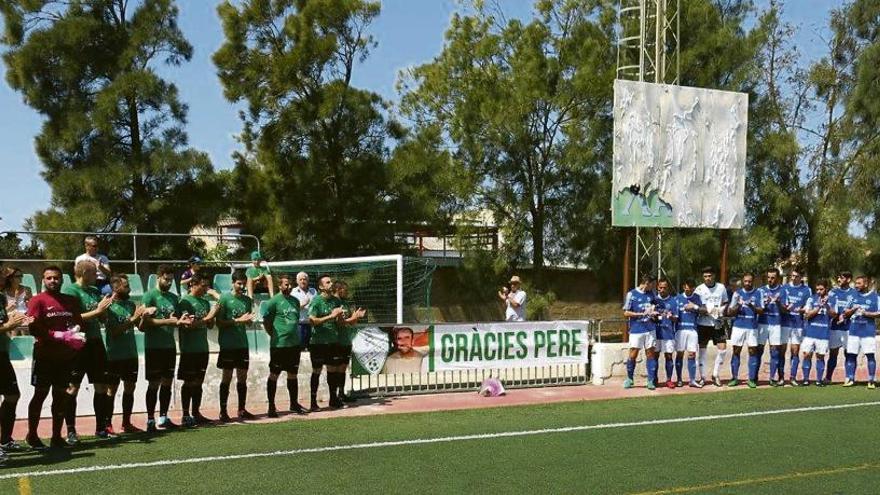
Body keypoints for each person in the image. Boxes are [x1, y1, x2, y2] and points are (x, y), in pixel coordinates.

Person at [26, 266, 85, 449]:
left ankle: (56, 437)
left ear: (62, 280)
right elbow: (33, 328)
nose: (53, 281)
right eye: (49, 278)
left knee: (60, 396)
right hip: (44, 356)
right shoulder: (38, 301)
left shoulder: (71, 301)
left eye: (56, 278)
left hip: (65, 358)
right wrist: (56, 335)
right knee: (40, 394)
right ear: (43, 280)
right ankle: (32, 435)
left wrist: (75, 336)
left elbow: (78, 323)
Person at [62, 260, 114, 441]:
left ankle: (101, 428)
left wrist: (105, 311)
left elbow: (101, 318)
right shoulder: (70, 291)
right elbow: (73, 318)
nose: (96, 277)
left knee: (101, 385)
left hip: (95, 343)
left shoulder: (94, 291)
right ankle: (70, 430)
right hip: (78, 344)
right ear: (83, 273)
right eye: (93, 273)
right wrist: (98, 310)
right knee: (72, 387)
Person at [141, 265, 192, 432]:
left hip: (169, 346)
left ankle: (163, 417)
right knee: (153, 383)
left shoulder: (173, 297)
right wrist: (168, 322)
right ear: (158, 278)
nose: (169, 283)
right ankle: (150, 419)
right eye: (166, 279)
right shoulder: (149, 296)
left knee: (168, 383)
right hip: (154, 347)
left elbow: (175, 319)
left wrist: (182, 319)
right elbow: (145, 323)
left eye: (171, 280)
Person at [104, 274, 153, 433]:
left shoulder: (131, 305)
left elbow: (141, 328)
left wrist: (144, 317)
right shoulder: (108, 306)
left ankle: (126, 423)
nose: (129, 289)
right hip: (114, 355)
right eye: (126, 286)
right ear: (115, 288)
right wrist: (133, 318)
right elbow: (114, 332)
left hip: (131, 354)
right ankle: (107, 424)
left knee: (130, 388)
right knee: (111, 390)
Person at [177, 273, 219, 426]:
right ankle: (185, 414)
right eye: (203, 286)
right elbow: (187, 325)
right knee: (188, 382)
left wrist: (212, 316)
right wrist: (209, 317)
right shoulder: (184, 302)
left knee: (199, 382)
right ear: (193, 285)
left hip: (202, 348)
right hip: (189, 349)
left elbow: (210, 325)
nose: (206, 289)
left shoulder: (205, 303)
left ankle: (196, 412)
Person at [262, 274, 307, 417]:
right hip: (279, 345)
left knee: (293, 374)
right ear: (280, 286)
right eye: (286, 284)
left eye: (289, 284)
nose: (288, 287)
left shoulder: (295, 301)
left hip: (294, 344)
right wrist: (275, 335)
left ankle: (293, 404)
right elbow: (267, 323)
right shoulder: (273, 302)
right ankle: (271, 406)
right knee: (274, 374)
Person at [0, 269, 33, 458]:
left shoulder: (1, 298)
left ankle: (5, 440)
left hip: (3, 351)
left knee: (12, 395)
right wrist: (11, 325)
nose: (9, 278)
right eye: (6, 275)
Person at [216, 271, 256, 422]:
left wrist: (248, 321)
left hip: (242, 344)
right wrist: (238, 321)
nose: (241, 286)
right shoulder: (224, 299)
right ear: (232, 283)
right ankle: (223, 410)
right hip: (228, 345)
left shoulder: (246, 300)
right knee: (226, 377)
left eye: (243, 283)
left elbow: (247, 320)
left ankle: (241, 409)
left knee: (242, 377)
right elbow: (219, 323)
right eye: (239, 283)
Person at [308, 274, 345, 409]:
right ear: (321, 286)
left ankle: (333, 398)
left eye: (331, 282)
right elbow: (312, 321)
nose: (331, 284)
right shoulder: (316, 301)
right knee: (316, 370)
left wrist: (341, 316)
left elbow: (339, 323)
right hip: (318, 342)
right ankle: (313, 401)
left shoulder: (336, 301)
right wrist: (331, 316)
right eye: (328, 282)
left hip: (332, 341)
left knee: (333, 370)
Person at [726, 273, 765, 388]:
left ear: (753, 282)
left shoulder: (758, 293)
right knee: (736, 351)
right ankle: (734, 378)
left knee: (753, 351)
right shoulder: (737, 293)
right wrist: (738, 305)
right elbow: (730, 312)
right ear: (742, 281)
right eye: (745, 281)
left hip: (752, 327)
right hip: (738, 326)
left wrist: (752, 306)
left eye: (750, 281)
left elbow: (761, 311)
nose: (747, 283)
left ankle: (751, 379)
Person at [694, 266, 729, 387]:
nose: (707, 278)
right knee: (702, 350)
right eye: (705, 276)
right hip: (703, 324)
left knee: (723, 349)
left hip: (717, 323)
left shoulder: (721, 287)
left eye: (709, 276)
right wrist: (709, 311)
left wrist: (721, 310)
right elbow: (696, 306)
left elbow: (725, 302)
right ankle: (703, 377)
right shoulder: (699, 289)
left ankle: (715, 375)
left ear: (714, 276)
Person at [622, 274, 658, 390]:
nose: (654, 287)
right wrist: (640, 314)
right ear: (647, 283)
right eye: (653, 285)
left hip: (650, 329)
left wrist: (654, 313)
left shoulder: (651, 294)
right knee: (633, 354)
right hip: (636, 329)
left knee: (650, 354)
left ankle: (650, 381)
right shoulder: (632, 294)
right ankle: (629, 379)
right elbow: (626, 313)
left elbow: (654, 307)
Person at [332, 280, 366, 403]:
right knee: (335, 369)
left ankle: (341, 393)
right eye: (345, 290)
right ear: (338, 289)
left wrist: (357, 317)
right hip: (336, 341)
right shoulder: (334, 303)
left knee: (343, 368)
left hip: (346, 340)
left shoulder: (345, 303)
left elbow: (351, 322)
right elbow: (339, 322)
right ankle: (333, 395)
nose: (347, 293)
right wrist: (353, 318)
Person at [843, 275, 878, 388]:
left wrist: (866, 313)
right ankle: (850, 378)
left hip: (868, 331)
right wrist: (853, 309)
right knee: (851, 355)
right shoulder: (853, 296)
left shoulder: (875, 297)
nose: (856, 286)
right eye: (856, 283)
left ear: (866, 284)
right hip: (854, 331)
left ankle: (871, 380)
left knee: (870, 356)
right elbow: (846, 312)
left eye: (859, 283)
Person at [801, 280, 836, 386]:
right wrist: (819, 307)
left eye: (821, 289)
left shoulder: (833, 299)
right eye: (817, 289)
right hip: (810, 332)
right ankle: (806, 379)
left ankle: (819, 380)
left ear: (826, 289)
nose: (819, 291)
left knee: (820, 356)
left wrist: (827, 306)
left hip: (823, 333)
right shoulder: (811, 299)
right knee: (807, 355)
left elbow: (834, 314)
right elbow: (807, 315)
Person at [758, 267, 788, 386]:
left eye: (773, 278)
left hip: (776, 324)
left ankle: (772, 377)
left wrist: (778, 302)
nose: (770, 280)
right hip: (762, 323)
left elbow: (785, 310)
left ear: (778, 278)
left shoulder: (783, 291)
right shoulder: (760, 290)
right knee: (758, 351)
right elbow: (757, 309)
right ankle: (754, 377)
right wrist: (763, 304)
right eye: (768, 277)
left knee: (775, 352)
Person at [782, 269, 811, 385]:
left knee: (795, 350)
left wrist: (803, 310)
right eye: (792, 276)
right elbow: (782, 304)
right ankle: (780, 377)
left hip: (798, 324)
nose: (793, 278)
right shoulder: (784, 288)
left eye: (796, 276)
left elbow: (808, 306)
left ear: (801, 277)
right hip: (785, 323)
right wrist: (785, 307)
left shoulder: (806, 290)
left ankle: (792, 377)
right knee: (781, 351)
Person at [826, 271, 856, 384]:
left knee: (848, 353)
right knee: (833, 353)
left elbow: (856, 309)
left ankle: (849, 378)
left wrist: (846, 315)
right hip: (834, 327)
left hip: (848, 328)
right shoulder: (833, 292)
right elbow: (831, 308)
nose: (839, 279)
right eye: (838, 277)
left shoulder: (854, 293)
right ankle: (828, 378)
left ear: (848, 280)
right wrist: (837, 315)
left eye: (842, 278)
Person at [674, 279, 703, 387]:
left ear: (694, 288)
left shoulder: (697, 298)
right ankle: (679, 379)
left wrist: (694, 307)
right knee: (680, 353)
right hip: (680, 330)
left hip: (692, 330)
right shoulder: (677, 298)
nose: (688, 289)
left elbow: (704, 310)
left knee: (692, 354)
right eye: (686, 287)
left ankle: (692, 380)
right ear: (683, 287)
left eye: (690, 287)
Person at [652, 278, 678, 389]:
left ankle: (668, 380)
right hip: (655, 333)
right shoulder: (653, 300)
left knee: (668, 356)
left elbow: (676, 318)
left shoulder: (673, 301)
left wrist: (670, 316)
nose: (662, 290)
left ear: (668, 288)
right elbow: (649, 315)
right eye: (660, 288)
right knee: (654, 356)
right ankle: (654, 379)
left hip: (668, 333)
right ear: (657, 288)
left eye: (664, 288)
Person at [2, 266, 32, 336]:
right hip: (10, 316)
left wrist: (28, 302)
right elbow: (3, 312)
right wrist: (9, 307)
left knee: (23, 322)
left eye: (21, 275)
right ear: (10, 278)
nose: (21, 278)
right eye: (18, 276)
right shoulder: (3, 292)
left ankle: (23, 343)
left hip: (24, 315)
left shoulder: (27, 289)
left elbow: (31, 307)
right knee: (17, 323)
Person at [292, 272, 316, 348]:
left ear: (308, 280)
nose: (303, 281)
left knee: (311, 348)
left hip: (312, 324)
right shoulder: (293, 292)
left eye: (304, 279)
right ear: (297, 281)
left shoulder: (314, 291)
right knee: (299, 347)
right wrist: (304, 304)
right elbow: (292, 308)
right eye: (300, 279)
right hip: (299, 325)